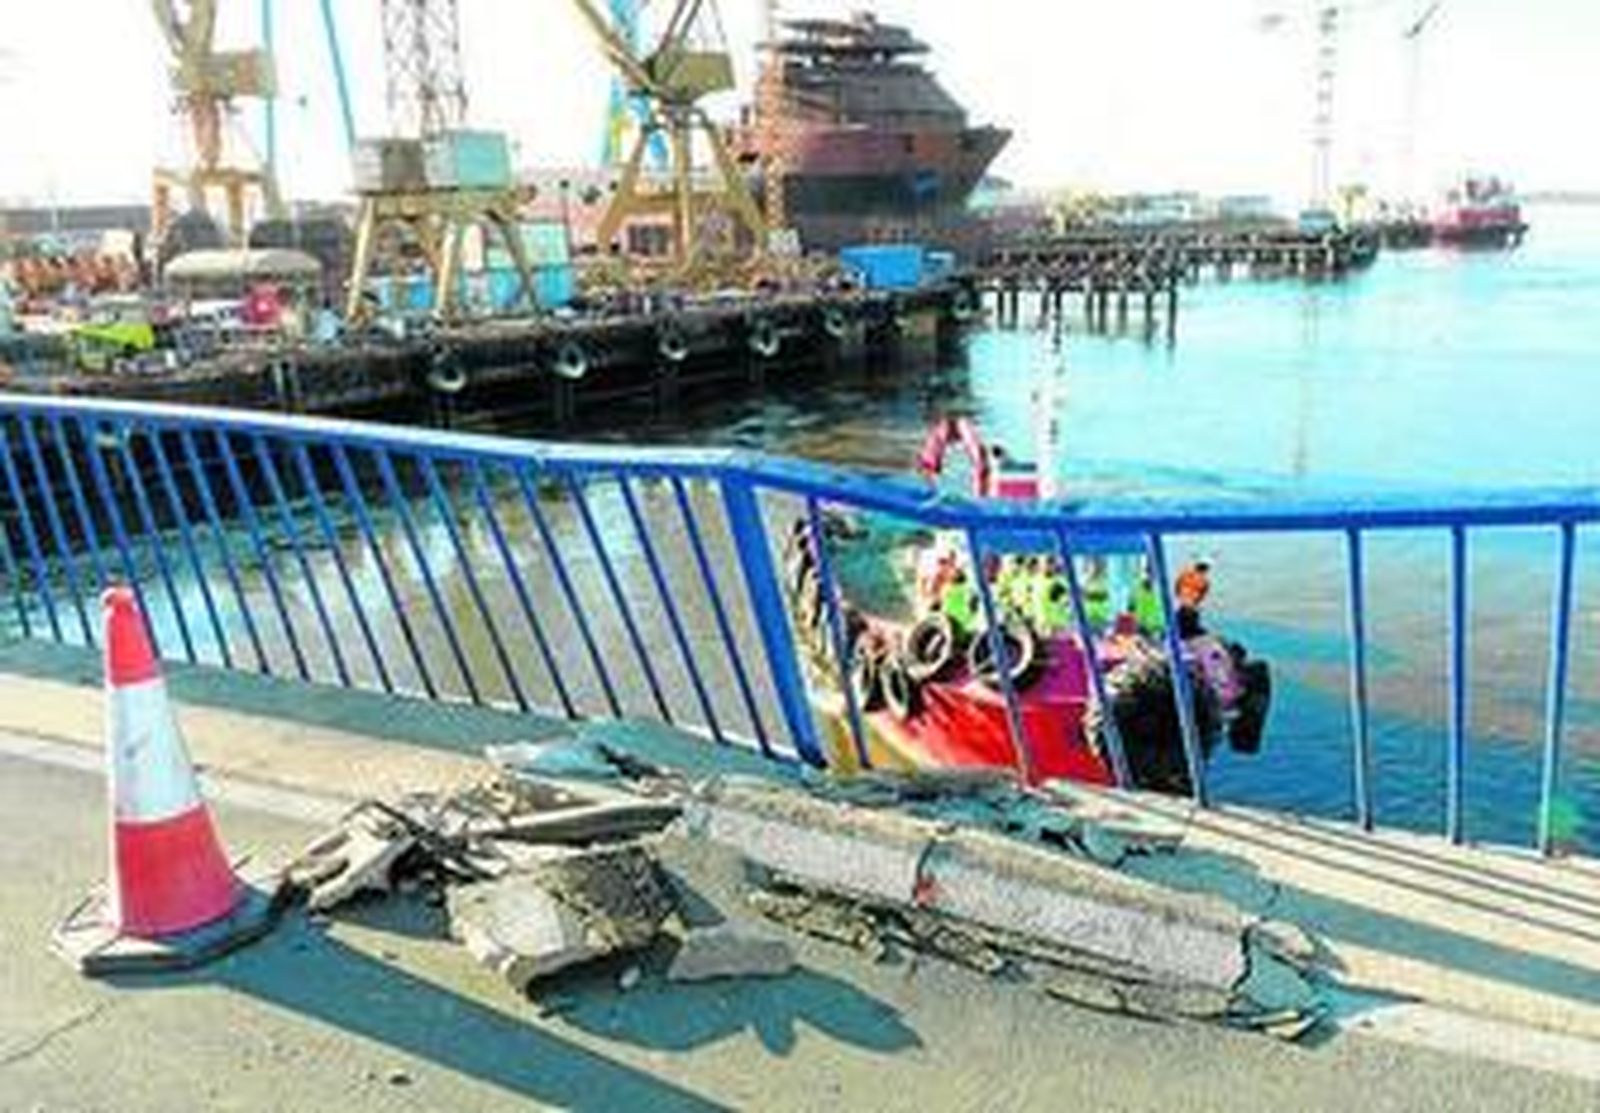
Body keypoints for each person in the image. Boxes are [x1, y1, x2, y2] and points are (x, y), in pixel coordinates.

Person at [1175, 559, 1212, 639]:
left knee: (1181, 623)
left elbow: (1177, 587)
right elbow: (1202, 594)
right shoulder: (1204, 581)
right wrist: (1194, 601)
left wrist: (1181, 597)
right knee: (1189, 626)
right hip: (1190, 606)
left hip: (1184, 604)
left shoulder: (1184, 575)